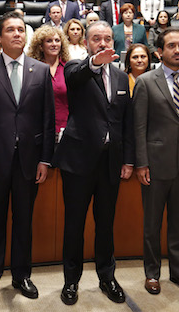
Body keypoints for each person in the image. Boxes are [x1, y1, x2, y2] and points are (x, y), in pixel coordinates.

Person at [0, 11, 54, 306]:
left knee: (24, 221)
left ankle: (21, 275)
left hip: (29, 162)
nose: (17, 34)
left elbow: (47, 120)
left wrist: (45, 160)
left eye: (21, 29)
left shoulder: (40, 71)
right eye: (11, 30)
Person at [53, 21, 134, 306]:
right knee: (74, 224)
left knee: (106, 224)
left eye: (107, 38)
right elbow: (74, 77)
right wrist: (93, 63)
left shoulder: (123, 78)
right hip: (78, 162)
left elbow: (126, 122)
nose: (102, 43)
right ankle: (71, 281)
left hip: (110, 163)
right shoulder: (77, 68)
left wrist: (128, 160)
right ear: (87, 43)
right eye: (96, 38)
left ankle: (106, 276)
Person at [133, 28, 179, 296]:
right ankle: (152, 274)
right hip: (154, 165)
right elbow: (139, 127)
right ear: (159, 51)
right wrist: (141, 163)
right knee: (152, 225)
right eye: (172, 46)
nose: (178, 50)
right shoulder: (146, 82)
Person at [28, 25, 70, 141]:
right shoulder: (31, 69)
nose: (54, 44)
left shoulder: (68, 68)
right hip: (37, 130)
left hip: (64, 130)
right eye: (49, 41)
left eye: (57, 40)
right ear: (41, 46)